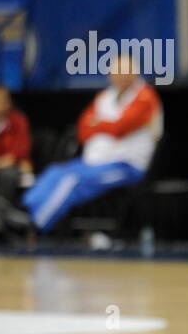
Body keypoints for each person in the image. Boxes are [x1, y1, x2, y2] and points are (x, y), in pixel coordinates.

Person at [18, 55, 162, 233]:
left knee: (71, 180)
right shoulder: (105, 96)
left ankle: (35, 224)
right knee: (55, 172)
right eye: (116, 72)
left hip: (126, 167)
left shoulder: (145, 97)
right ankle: (22, 211)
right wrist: (105, 126)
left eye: (125, 71)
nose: (121, 76)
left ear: (134, 73)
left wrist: (99, 124)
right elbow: (83, 130)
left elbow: (120, 128)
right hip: (93, 163)